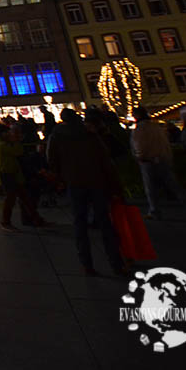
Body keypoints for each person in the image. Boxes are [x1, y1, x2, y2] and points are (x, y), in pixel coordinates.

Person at [47, 108, 127, 276]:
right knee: (105, 222)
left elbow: (51, 159)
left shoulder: (57, 136)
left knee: (79, 223)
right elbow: (105, 160)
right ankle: (116, 262)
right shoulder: (90, 134)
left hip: (74, 182)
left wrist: (61, 177)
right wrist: (115, 186)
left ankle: (87, 264)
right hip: (96, 181)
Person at [132, 108, 186, 221]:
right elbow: (165, 143)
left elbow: (138, 145)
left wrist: (139, 156)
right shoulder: (157, 127)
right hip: (163, 159)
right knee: (175, 186)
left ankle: (154, 211)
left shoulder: (139, 129)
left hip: (148, 160)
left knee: (151, 189)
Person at [0, 125, 46, 230]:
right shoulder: (3, 145)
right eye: (7, 132)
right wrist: (16, 141)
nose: (9, 134)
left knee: (23, 197)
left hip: (14, 174)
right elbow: (18, 152)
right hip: (8, 175)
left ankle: (35, 219)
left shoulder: (5, 144)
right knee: (12, 199)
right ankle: (6, 221)